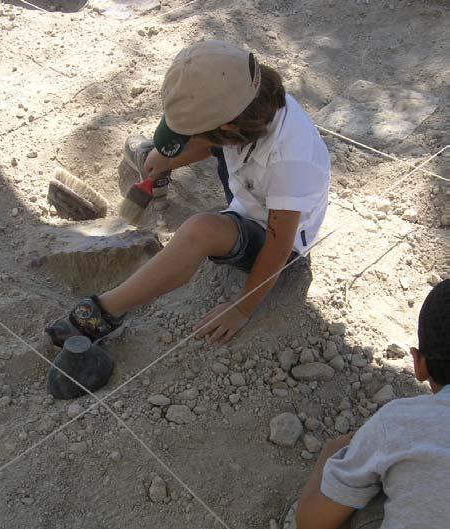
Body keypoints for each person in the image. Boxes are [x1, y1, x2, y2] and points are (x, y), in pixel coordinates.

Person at [45, 40, 330, 347]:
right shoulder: (245, 95)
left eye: (191, 134)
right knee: (165, 154)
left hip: (275, 236)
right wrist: (167, 156)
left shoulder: (289, 162)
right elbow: (212, 135)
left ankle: (105, 312)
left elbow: (278, 244)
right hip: (249, 185)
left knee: (200, 230)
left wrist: (242, 308)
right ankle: (158, 159)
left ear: (231, 129)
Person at [279, 279, 450, 529]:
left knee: (370, 499)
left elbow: (310, 522)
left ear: (419, 364)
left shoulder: (398, 421)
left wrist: (328, 454)